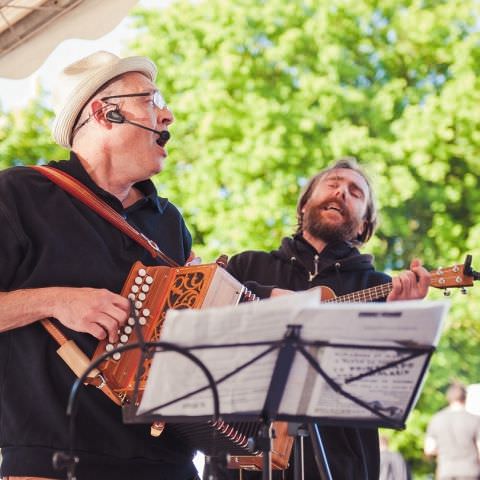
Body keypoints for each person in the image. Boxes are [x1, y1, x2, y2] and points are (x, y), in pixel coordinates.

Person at [0, 51, 199, 479]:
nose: (167, 115)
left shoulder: (169, 222)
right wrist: (54, 300)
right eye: (150, 100)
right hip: (53, 460)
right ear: (105, 112)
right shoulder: (19, 193)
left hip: (170, 463)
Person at [226, 157, 431, 479]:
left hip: (340, 463)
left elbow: (385, 391)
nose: (342, 193)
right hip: (245, 456)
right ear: (305, 203)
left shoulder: (380, 287)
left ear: (364, 224)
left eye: (355, 192)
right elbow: (205, 305)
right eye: (333, 183)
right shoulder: (247, 267)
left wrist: (401, 319)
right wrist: (270, 297)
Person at [424, 381, 480, 480]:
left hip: (446, 471)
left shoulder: (436, 419)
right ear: (465, 398)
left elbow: (429, 449)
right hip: (470, 471)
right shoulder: (475, 420)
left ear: (448, 398)